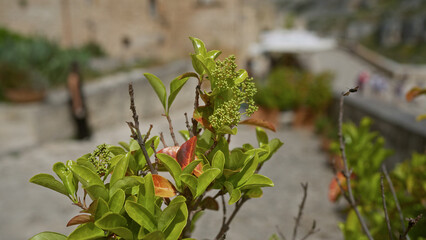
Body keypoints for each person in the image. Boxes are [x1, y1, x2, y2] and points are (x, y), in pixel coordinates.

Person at [67, 61, 91, 140]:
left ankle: (82, 135)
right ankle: (82, 136)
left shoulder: (72, 77)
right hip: (77, 101)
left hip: (76, 101)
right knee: (80, 121)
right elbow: (75, 92)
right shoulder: (74, 78)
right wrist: (77, 104)